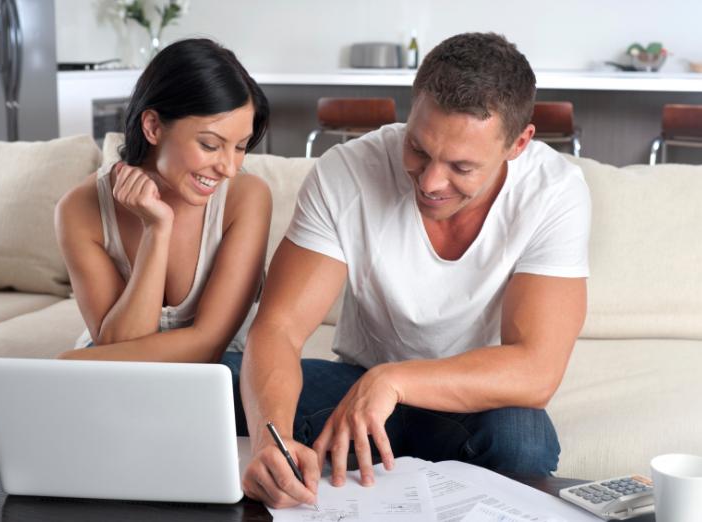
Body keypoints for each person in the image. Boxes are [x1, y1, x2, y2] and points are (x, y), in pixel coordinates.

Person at [237, 32, 591, 508]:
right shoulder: (346, 172)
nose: (429, 183)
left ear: (519, 143)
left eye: (462, 167)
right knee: (221, 383)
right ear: (411, 109)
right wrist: (269, 440)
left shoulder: (554, 193)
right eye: (419, 150)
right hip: (356, 391)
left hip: (475, 406)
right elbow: (277, 328)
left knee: (521, 436)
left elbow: (535, 369)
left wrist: (391, 380)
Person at [54, 38, 271, 363]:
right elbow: (116, 344)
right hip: (117, 369)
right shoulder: (79, 210)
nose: (228, 168)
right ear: (153, 127)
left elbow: (208, 343)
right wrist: (157, 230)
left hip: (225, 364)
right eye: (211, 145)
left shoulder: (247, 198)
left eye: (240, 146)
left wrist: (75, 362)